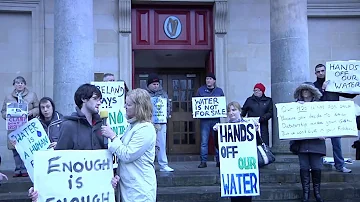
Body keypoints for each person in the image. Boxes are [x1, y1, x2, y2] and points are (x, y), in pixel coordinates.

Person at [28, 83, 107, 201]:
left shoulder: (103, 125)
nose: (99, 102)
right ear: (83, 99)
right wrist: (40, 188)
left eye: (100, 99)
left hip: (97, 192)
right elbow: (58, 163)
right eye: (95, 99)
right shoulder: (68, 126)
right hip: (76, 192)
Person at [101, 88, 157, 202]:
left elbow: (128, 155)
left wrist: (113, 136)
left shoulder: (145, 128)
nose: (125, 107)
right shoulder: (133, 126)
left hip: (140, 189)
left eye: (129, 105)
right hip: (130, 187)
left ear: (139, 106)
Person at [214, 101, 261, 202]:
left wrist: (256, 131)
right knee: (234, 198)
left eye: (234, 110)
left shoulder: (249, 126)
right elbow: (218, 146)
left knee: (247, 197)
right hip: (232, 167)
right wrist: (216, 133)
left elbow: (258, 144)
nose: (231, 113)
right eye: (229, 111)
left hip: (246, 166)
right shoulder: (224, 128)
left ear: (240, 111)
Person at [313, 63, 355, 173]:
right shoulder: (313, 86)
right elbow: (314, 100)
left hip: (334, 117)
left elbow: (348, 93)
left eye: (322, 71)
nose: (321, 73)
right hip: (320, 117)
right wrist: (322, 89)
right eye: (318, 71)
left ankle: (340, 165)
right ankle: (317, 165)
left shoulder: (334, 84)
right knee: (318, 142)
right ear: (315, 73)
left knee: (337, 142)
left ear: (326, 71)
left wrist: (356, 88)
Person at [291, 82, 325, 202]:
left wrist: (325, 133)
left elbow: (327, 122)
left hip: (317, 143)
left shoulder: (320, 106)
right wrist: (297, 108)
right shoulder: (295, 107)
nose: (304, 92)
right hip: (302, 144)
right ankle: (306, 194)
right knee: (304, 168)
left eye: (307, 90)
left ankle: (317, 193)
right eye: (303, 90)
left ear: (312, 92)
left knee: (316, 168)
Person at [1, 76, 39, 177]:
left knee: (26, 147)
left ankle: (26, 168)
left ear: (25, 84)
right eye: (17, 83)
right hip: (14, 126)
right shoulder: (8, 97)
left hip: (27, 126)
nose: (20, 85)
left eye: (22, 83)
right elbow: (3, 111)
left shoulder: (32, 95)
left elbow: (38, 108)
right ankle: (18, 169)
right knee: (15, 149)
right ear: (14, 85)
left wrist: (30, 112)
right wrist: (8, 115)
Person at [145, 73, 174, 172]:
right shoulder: (144, 95)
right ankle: (149, 165)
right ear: (148, 85)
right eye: (153, 84)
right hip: (148, 122)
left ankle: (163, 164)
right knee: (148, 144)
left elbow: (168, 106)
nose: (156, 86)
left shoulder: (163, 94)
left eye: (157, 84)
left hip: (161, 122)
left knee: (161, 143)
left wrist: (166, 115)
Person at [196, 72, 225, 168]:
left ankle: (219, 161)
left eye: (210, 79)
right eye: (207, 79)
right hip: (205, 120)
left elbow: (222, 104)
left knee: (217, 141)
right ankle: (203, 161)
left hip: (216, 119)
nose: (208, 80)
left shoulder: (219, 91)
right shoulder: (200, 90)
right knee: (204, 142)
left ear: (214, 81)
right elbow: (196, 104)